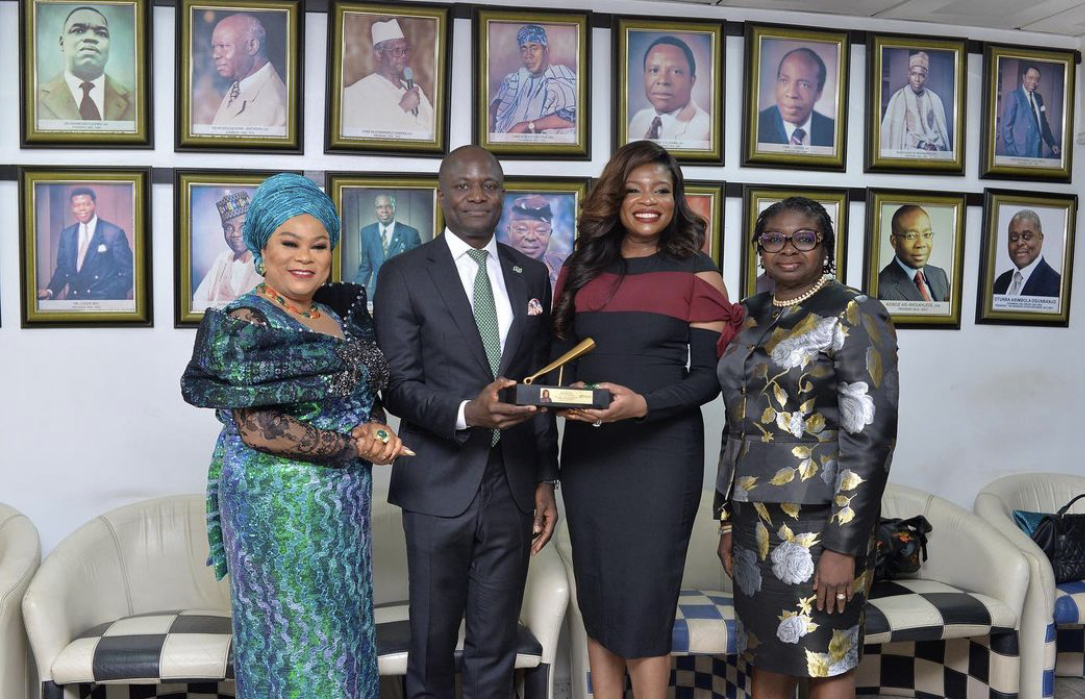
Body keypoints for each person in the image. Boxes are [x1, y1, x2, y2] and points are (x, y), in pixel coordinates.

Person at [181, 173, 411, 698]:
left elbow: (362, 392)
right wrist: (355, 445)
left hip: (341, 510)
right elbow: (258, 426)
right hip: (276, 509)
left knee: (344, 640)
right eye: (289, 243)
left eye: (319, 245)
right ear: (262, 248)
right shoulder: (245, 320)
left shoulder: (340, 314)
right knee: (294, 645)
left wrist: (375, 426)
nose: (304, 257)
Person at [372, 146, 560, 699]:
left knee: (494, 643)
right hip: (437, 480)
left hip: (513, 482)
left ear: (502, 193)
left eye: (490, 185)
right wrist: (466, 414)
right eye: (463, 186)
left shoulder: (532, 274)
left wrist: (546, 479)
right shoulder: (403, 274)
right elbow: (397, 386)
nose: (477, 196)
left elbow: (537, 383)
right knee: (431, 642)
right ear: (442, 195)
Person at [553, 140, 736, 698]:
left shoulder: (699, 275)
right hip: (589, 456)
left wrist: (644, 405)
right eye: (633, 189)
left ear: (677, 200)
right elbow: (558, 366)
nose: (647, 200)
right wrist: (567, 398)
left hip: (661, 458)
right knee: (600, 594)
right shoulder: (579, 269)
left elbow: (710, 379)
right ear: (614, 198)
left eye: (661, 189)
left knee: (644, 603)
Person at [715, 196, 899, 699]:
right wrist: (729, 518)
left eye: (804, 237)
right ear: (759, 248)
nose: (787, 248)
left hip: (821, 522)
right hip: (754, 515)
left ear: (825, 246)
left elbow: (871, 438)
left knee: (825, 654)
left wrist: (844, 546)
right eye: (773, 238)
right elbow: (737, 423)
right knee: (766, 654)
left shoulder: (853, 311)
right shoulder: (750, 313)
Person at [38, 5, 135, 122]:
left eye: (101, 33)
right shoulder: (34, 99)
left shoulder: (135, 101)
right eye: (78, 30)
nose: (91, 38)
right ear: (62, 43)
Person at [342, 18, 435, 139]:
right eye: (396, 50)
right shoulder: (356, 93)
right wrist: (402, 107)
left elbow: (433, 131)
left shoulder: (416, 89)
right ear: (378, 54)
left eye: (405, 50)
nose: (403, 56)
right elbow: (360, 134)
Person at [38, 187, 133, 301]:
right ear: (72, 208)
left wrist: (109, 296)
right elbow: (63, 269)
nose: (81, 209)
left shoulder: (114, 233)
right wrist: (50, 291)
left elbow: (128, 272)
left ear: (94, 204)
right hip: (74, 302)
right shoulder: (66, 235)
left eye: (86, 204)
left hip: (103, 302)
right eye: (77, 205)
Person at [490, 24, 577, 138]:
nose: (528, 55)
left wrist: (526, 126)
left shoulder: (562, 76)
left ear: (546, 50)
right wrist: (490, 116)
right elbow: (496, 105)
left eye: (534, 48)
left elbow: (574, 116)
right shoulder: (513, 79)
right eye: (524, 49)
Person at [626, 36, 710, 148]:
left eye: (676, 72)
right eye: (654, 70)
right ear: (644, 76)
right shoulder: (638, 120)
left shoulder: (707, 129)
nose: (663, 80)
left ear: (692, 81)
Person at [208, 13, 287, 128]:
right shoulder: (242, 84)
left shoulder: (273, 107)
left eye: (224, 46)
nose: (215, 55)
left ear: (252, 46)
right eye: (214, 47)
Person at [192, 191, 262, 311]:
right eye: (228, 227)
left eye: (243, 226)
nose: (235, 234)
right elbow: (197, 304)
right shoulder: (222, 261)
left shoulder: (266, 263)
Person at [758, 47, 834, 148]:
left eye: (804, 85)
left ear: (818, 93)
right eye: (784, 80)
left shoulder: (833, 131)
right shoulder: (756, 127)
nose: (792, 93)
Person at [353, 193, 423, 300]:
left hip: (403, 295)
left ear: (394, 208)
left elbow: (417, 269)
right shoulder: (366, 232)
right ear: (375, 210)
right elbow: (365, 268)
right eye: (380, 207)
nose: (384, 210)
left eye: (388, 206)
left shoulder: (410, 233)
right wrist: (353, 293)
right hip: (377, 294)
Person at [879, 51, 950, 153]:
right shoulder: (898, 98)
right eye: (913, 74)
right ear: (908, 74)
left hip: (932, 152)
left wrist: (935, 146)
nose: (917, 79)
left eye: (921, 75)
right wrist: (921, 144)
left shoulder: (935, 100)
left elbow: (940, 133)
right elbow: (894, 135)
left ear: (926, 76)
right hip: (908, 150)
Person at [876, 205, 950, 302]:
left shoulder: (940, 275)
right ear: (894, 242)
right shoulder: (880, 288)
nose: (921, 244)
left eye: (926, 235)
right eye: (910, 236)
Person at [501, 195, 567, 290]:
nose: (530, 237)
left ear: (550, 233)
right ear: (509, 231)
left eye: (541, 230)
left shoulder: (563, 265)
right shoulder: (495, 268)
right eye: (522, 229)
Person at [993, 209, 1061, 297]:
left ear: (1040, 238)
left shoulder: (1056, 285)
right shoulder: (1001, 281)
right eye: (1014, 237)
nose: (1020, 242)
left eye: (1027, 236)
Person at [1000, 61, 1060, 158]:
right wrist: (1011, 150)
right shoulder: (1014, 96)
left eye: (1037, 79)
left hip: (1036, 151)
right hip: (1019, 153)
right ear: (1024, 78)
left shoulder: (1039, 98)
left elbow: (1043, 124)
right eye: (1030, 78)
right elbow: (1007, 126)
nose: (1034, 82)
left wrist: (1052, 144)